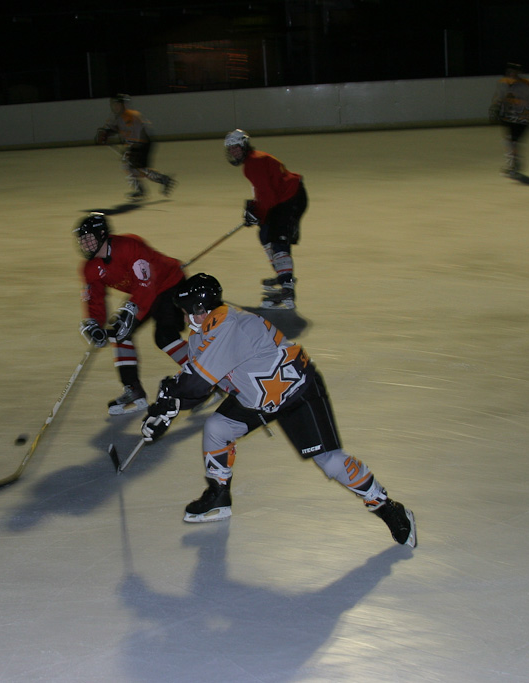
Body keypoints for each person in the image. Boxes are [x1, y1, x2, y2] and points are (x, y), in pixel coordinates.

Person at [139, 273, 417, 547]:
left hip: (296, 390)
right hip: (256, 396)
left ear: (199, 308)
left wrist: (171, 397)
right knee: (217, 428)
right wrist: (168, 409)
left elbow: (195, 384)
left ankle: (387, 506)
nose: (184, 317)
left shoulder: (227, 324)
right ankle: (219, 496)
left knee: (330, 461)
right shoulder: (202, 335)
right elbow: (202, 386)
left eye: (186, 311)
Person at [74, 212, 188, 415]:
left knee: (165, 337)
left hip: (169, 283)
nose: (85, 244)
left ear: (102, 234)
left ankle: (204, 374)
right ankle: (133, 390)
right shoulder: (90, 268)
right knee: (119, 333)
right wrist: (95, 324)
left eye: (89, 238)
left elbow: (145, 284)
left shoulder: (129, 246)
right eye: (82, 240)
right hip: (144, 292)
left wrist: (132, 310)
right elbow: (95, 300)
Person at [223, 129, 307, 310]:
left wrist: (258, 214)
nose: (233, 152)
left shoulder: (254, 163)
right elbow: (264, 192)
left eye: (236, 147)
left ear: (244, 145)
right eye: (230, 149)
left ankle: (287, 287)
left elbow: (269, 197)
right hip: (282, 200)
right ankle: (283, 274)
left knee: (278, 240)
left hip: (290, 199)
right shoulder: (251, 162)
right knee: (265, 234)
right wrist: (256, 210)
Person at [95, 94, 176, 201]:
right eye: (113, 104)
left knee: (135, 168)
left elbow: (137, 134)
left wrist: (133, 151)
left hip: (142, 144)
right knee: (134, 168)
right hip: (135, 145)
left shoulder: (131, 116)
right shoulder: (118, 117)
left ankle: (151, 186)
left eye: (117, 104)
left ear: (123, 105)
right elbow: (114, 128)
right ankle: (161, 180)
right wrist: (106, 133)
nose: (115, 107)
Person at [489, 63, 529, 178]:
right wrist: (496, 107)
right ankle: (513, 164)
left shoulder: (528, 84)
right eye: (509, 71)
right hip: (509, 117)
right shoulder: (503, 83)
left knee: (513, 142)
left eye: (513, 71)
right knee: (510, 142)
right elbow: (499, 97)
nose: (511, 74)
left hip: (524, 118)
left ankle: (514, 165)